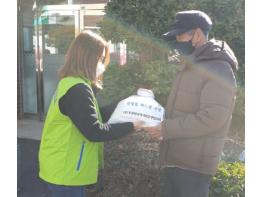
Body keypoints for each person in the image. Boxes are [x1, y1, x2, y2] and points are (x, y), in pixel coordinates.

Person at [143, 10, 238, 197]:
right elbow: (184, 108)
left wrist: (166, 129)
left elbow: (212, 118)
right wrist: (152, 108)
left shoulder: (218, 67)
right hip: (177, 159)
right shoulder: (194, 64)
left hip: (194, 166)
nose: (178, 40)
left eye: (181, 35)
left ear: (198, 33)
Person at [38, 31, 144, 197]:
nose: (102, 64)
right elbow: (94, 131)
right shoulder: (78, 89)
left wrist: (123, 102)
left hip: (62, 167)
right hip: (66, 171)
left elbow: (93, 116)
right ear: (87, 58)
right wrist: (132, 126)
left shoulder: (73, 83)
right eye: (100, 58)